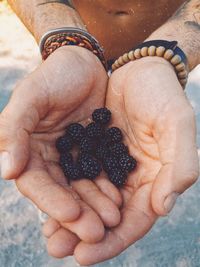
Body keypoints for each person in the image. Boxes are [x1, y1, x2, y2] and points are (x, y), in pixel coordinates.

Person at [0, 0, 199, 265]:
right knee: (68, 213)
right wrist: (66, 40)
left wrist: (164, 54)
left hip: (157, 66)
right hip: (69, 62)